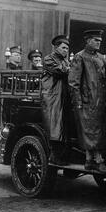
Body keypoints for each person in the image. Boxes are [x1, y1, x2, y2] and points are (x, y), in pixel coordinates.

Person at [68, 29, 106, 173]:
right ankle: (98, 161)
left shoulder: (101, 57)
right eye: (96, 40)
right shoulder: (79, 57)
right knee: (89, 132)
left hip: (100, 102)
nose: (99, 43)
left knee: (99, 131)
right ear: (88, 41)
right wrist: (78, 102)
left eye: (100, 41)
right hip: (87, 102)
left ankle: (89, 161)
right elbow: (73, 82)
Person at [41, 35, 71, 166]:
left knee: (63, 125)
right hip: (52, 96)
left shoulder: (65, 61)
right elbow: (60, 71)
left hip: (63, 95)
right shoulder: (48, 59)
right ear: (56, 47)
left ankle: (61, 155)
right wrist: (73, 68)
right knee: (54, 126)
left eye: (67, 48)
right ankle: (53, 156)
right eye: (63, 47)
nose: (66, 50)